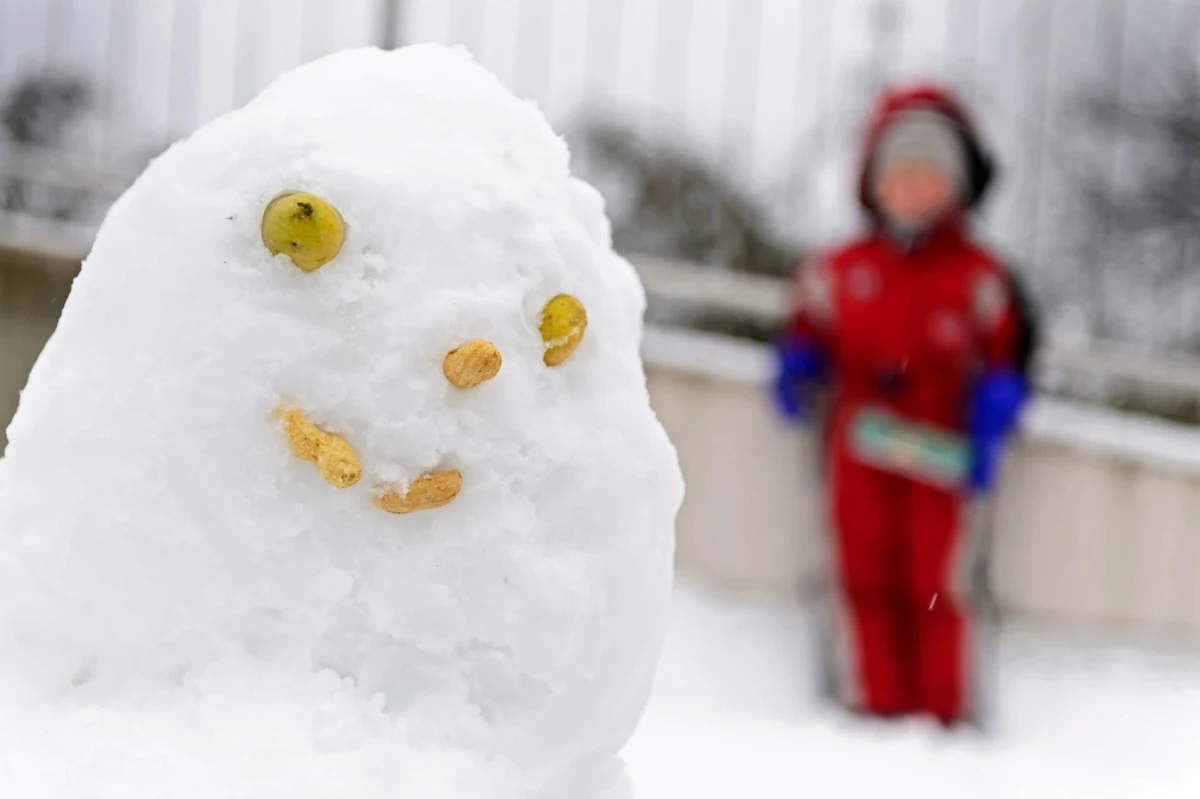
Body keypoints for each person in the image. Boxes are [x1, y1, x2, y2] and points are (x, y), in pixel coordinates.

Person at [774, 84, 1035, 726]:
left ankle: (941, 715)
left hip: (943, 448)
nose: (913, 187)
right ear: (872, 181)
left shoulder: (979, 276)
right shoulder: (839, 269)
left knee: (937, 582)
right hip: (858, 443)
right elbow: (808, 328)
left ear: (959, 185)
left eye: (930, 174)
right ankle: (873, 708)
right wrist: (797, 365)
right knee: (863, 572)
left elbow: (1010, 352)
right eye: (900, 172)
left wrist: (999, 402)